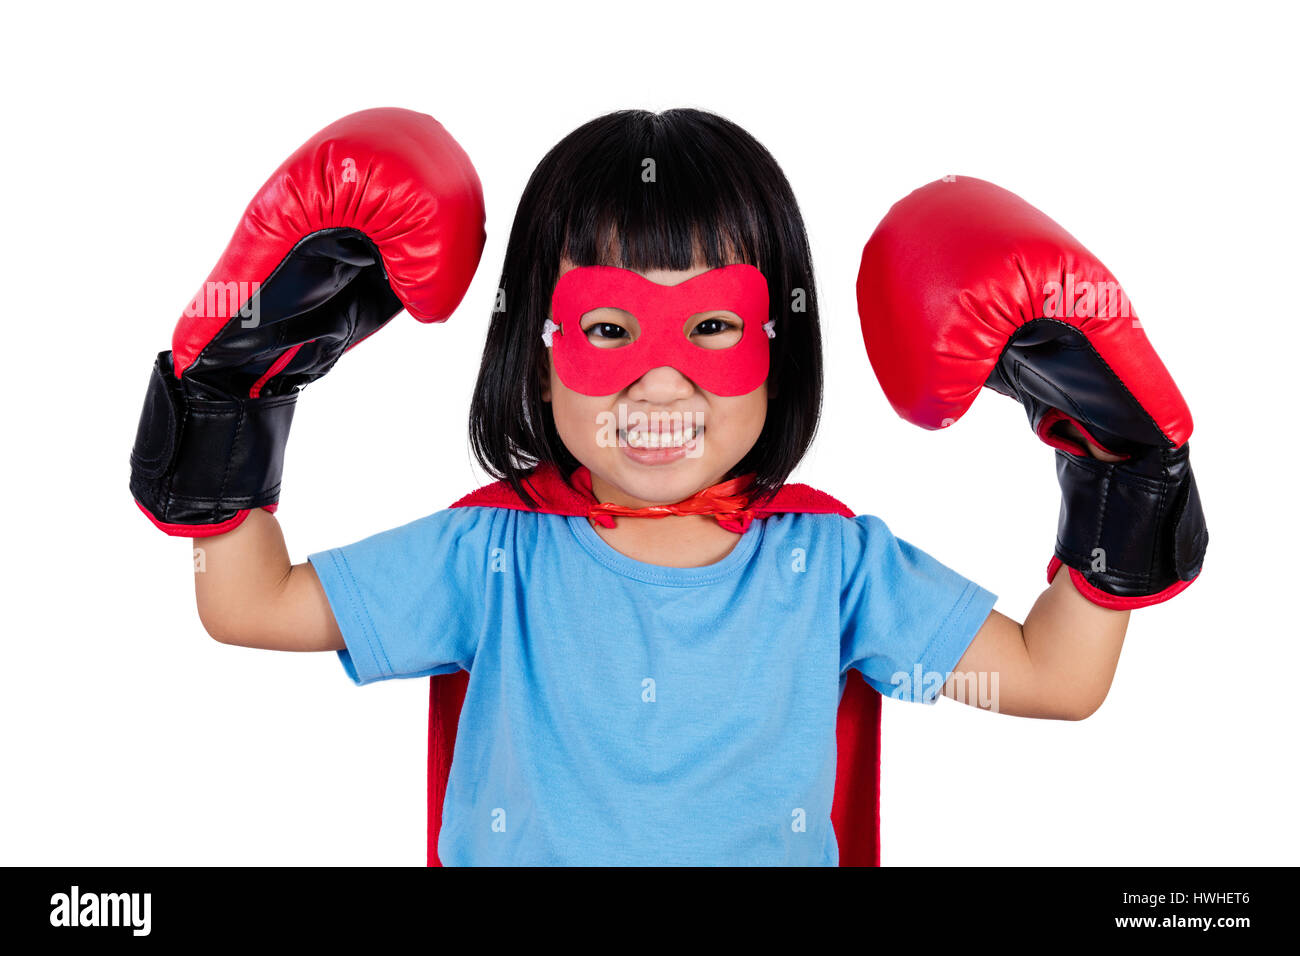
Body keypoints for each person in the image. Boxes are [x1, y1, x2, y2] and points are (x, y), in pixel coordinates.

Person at [133, 108, 1200, 866]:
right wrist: (228, 399)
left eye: (712, 326)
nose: (658, 377)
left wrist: (1118, 473)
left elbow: (1055, 677)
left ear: (777, 345)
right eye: (606, 328)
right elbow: (246, 604)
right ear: (536, 350)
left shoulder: (824, 560)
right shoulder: (495, 552)